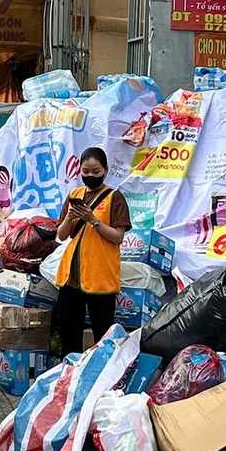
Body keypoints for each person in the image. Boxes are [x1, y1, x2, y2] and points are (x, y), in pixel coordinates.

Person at [51, 147, 131, 355]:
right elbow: (62, 235)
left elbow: (118, 236)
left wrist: (93, 220)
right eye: (85, 171)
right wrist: (69, 217)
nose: (90, 176)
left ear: (105, 170)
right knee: (68, 331)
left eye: (96, 171)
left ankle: (101, 370)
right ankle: (69, 369)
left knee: (103, 334)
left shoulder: (114, 197)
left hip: (100, 276)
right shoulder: (74, 195)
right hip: (71, 277)